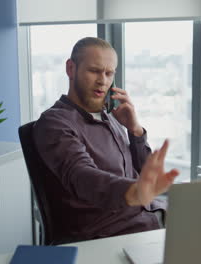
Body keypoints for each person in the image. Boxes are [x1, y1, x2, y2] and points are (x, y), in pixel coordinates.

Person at [33, 37, 179, 243]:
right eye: (94, 71)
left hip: (151, 217)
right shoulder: (54, 123)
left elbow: (146, 176)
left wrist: (135, 130)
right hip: (110, 235)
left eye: (109, 73)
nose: (103, 81)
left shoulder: (111, 116)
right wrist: (133, 192)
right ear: (71, 68)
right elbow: (82, 176)